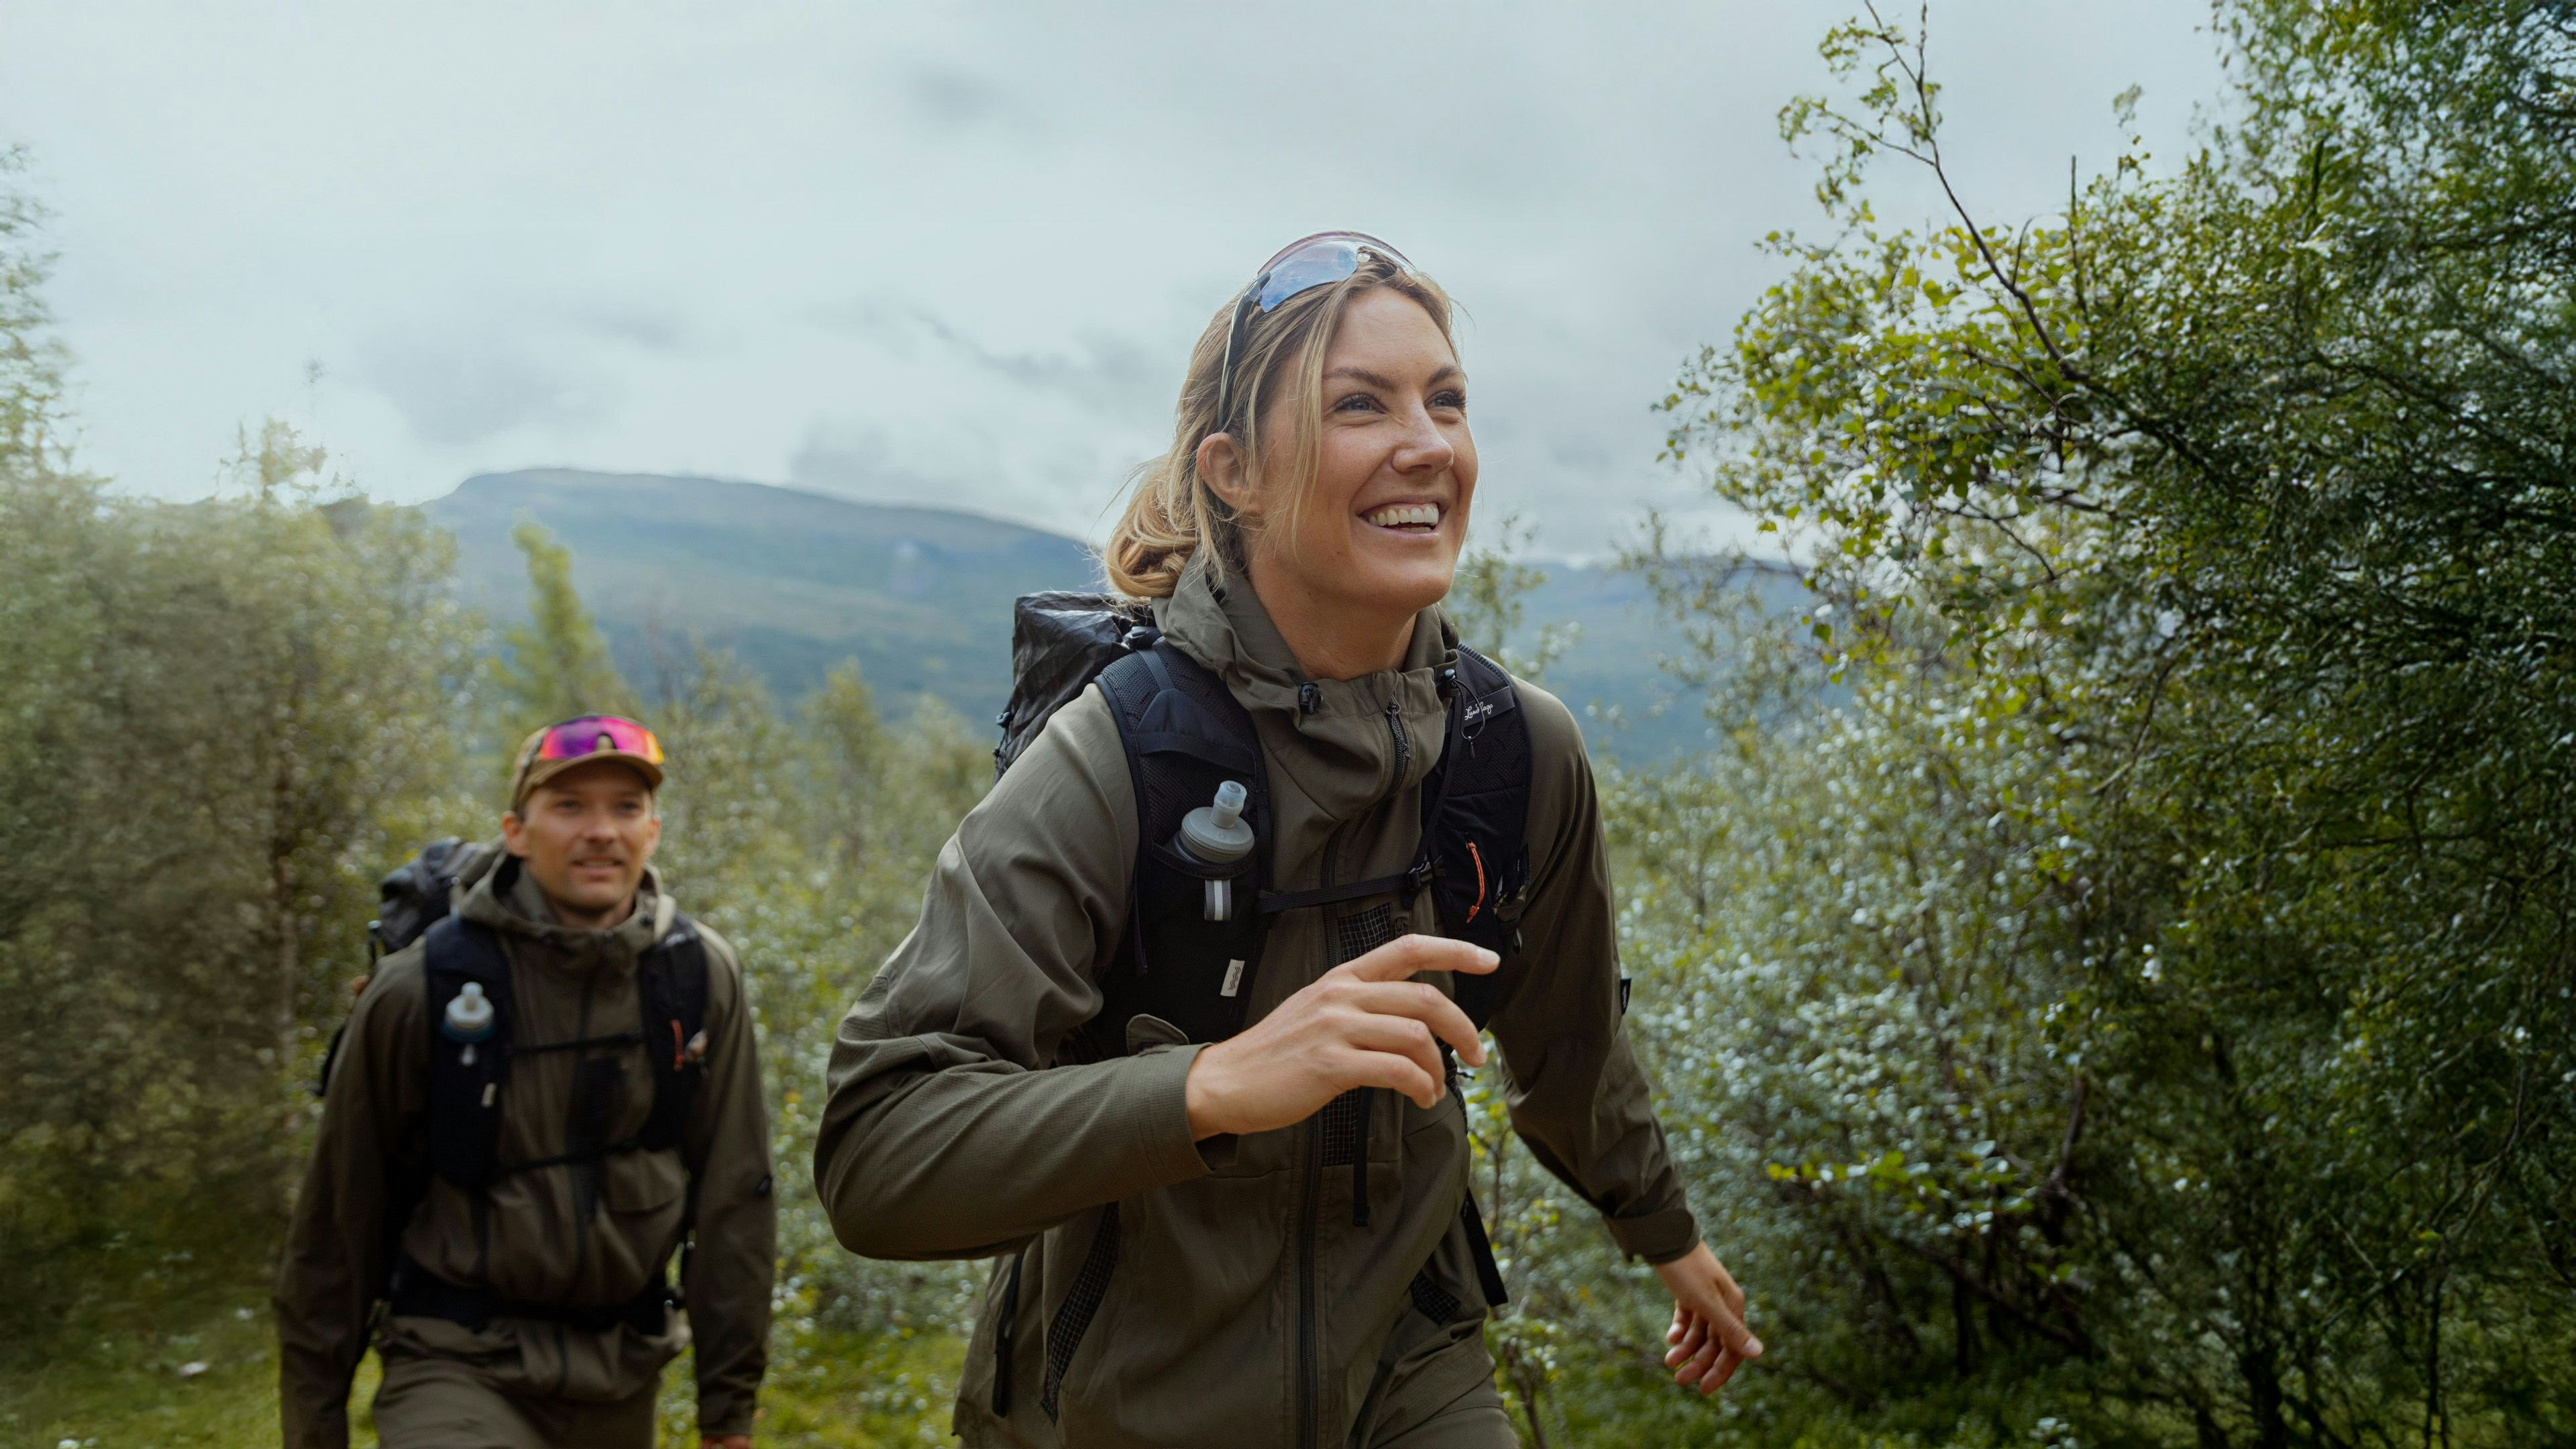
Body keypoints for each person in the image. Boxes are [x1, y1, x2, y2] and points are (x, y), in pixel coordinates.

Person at [814, 234, 1762, 1448]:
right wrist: (1211, 1087)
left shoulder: (1514, 754)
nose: (1426, 444)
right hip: (1121, 1403)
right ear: (1235, 472)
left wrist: (1664, 1232)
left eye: (1446, 400)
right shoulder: (1121, 761)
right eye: (1358, 405)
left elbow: (1571, 1042)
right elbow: (880, 1155)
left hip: (1411, 1379)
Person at [275, 716, 775, 1449]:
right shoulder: (424, 990)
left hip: (620, 1374)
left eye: (625, 807)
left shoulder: (696, 978)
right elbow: (337, 1227)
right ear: (516, 831)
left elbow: (736, 1199)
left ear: (653, 831)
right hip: (456, 1360)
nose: (601, 830)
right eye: (569, 807)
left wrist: (727, 1415)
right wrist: (313, 1431)